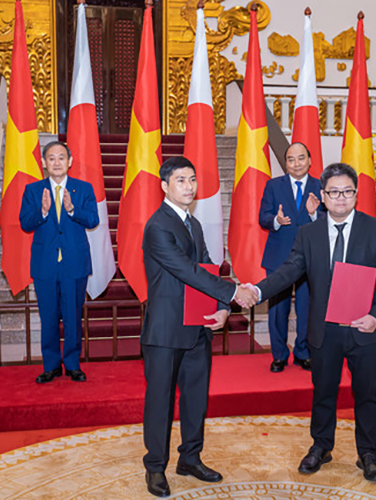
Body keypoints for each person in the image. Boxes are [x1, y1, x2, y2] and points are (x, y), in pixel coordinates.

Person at [239, 163, 376, 483]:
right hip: (324, 330)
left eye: (348, 192)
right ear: (322, 196)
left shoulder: (375, 228)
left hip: (365, 329)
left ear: (356, 194)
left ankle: (368, 454)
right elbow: (288, 272)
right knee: (323, 391)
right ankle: (321, 446)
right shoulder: (308, 233)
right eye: (334, 192)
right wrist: (257, 290)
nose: (341, 198)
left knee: (366, 394)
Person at [140, 156, 256, 498]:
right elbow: (186, 272)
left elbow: (209, 267)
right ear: (165, 186)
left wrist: (222, 307)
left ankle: (190, 458)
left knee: (195, 398)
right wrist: (235, 293)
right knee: (160, 401)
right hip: (164, 330)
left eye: (192, 179)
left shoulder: (194, 224)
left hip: (198, 325)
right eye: (180, 180)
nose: (189, 186)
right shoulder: (157, 226)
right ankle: (156, 467)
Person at [19, 142, 99, 384]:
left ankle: (73, 364)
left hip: (74, 263)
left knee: (74, 317)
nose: (56, 162)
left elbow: (93, 220)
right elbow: (25, 223)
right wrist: (43, 212)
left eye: (61, 158)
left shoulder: (83, 189)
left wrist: (72, 210)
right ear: (44, 162)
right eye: (51, 158)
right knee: (49, 316)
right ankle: (51, 366)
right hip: (45, 264)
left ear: (70, 161)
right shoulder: (33, 190)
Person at [258, 142, 322, 373]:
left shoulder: (320, 186)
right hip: (279, 257)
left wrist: (315, 213)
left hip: (311, 257)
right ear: (286, 163)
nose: (296, 163)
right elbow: (263, 217)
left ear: (310, 160)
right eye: (291, 159)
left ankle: (303, 353)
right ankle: (279, 355)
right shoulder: (273, 186)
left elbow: (329, 221)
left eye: (301, 158)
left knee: (307, 308)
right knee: (277, 310)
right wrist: (276, 220)